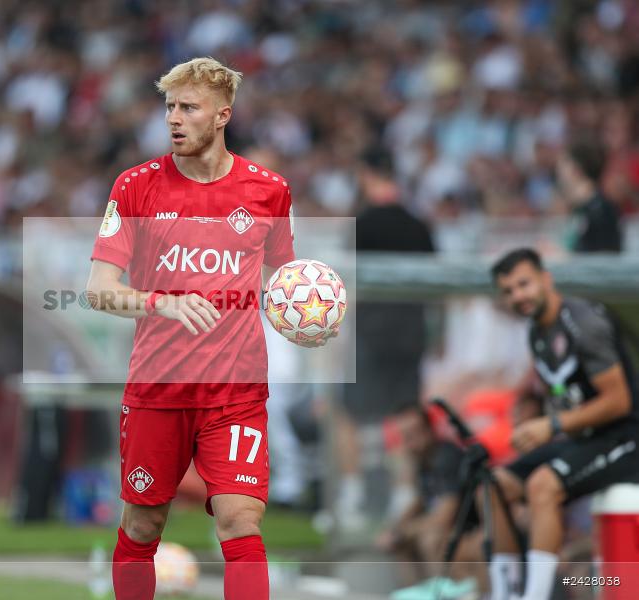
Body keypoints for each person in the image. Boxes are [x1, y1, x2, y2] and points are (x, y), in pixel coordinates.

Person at [86, 57, 328, 600]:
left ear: (222, 115)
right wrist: (159, 303)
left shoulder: (268, 190)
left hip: (235, 392)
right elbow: (98, 288)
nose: (174, 118)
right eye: (169, 107)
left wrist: (308, 319)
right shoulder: (135, 188)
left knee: (240, 521)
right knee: (144, 525)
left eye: (188, 108)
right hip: (158, 389)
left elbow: (285, 281)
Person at [484, 248, 639, 600]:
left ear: (546, 279)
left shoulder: (584, 323)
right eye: (507, 291)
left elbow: (619, 402)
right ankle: (504, 593)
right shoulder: (537, 333)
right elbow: (565, 396)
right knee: (494, 484)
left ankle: (535, 596)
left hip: (626, 437)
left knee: (542, 484)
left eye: (523, 284)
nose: (517, 296)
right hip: (583, 439)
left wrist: (550, 425)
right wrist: (538, 423)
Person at [333, 146, 434, 530]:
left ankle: (353, 495)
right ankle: (405, 493)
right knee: (406, 412)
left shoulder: (363, 222)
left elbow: (349, 289)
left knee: (348, 414)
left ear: (366, 174)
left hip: (370, 335)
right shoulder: (419, 224)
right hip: (410, 335)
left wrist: (338, 338)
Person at [377, 405, 483, 591]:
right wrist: (395, 529)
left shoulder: (446, 457)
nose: (409, 441)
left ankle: (444, 593)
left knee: (430, 538)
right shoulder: (423, 459)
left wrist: (401, 533)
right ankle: (417, 593)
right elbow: (420, 501)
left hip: (472, 528)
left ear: (429, 429)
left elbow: (444, 517)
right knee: (402, 544)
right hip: (450, 528)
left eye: (414, 433)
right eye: (404, 436)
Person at [556, 138, 622, 252]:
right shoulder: (579, 208)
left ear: (576, 169)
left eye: (563, 164)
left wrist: (560, 255)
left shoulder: (602, 211)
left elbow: (603, 258)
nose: (558, 171)